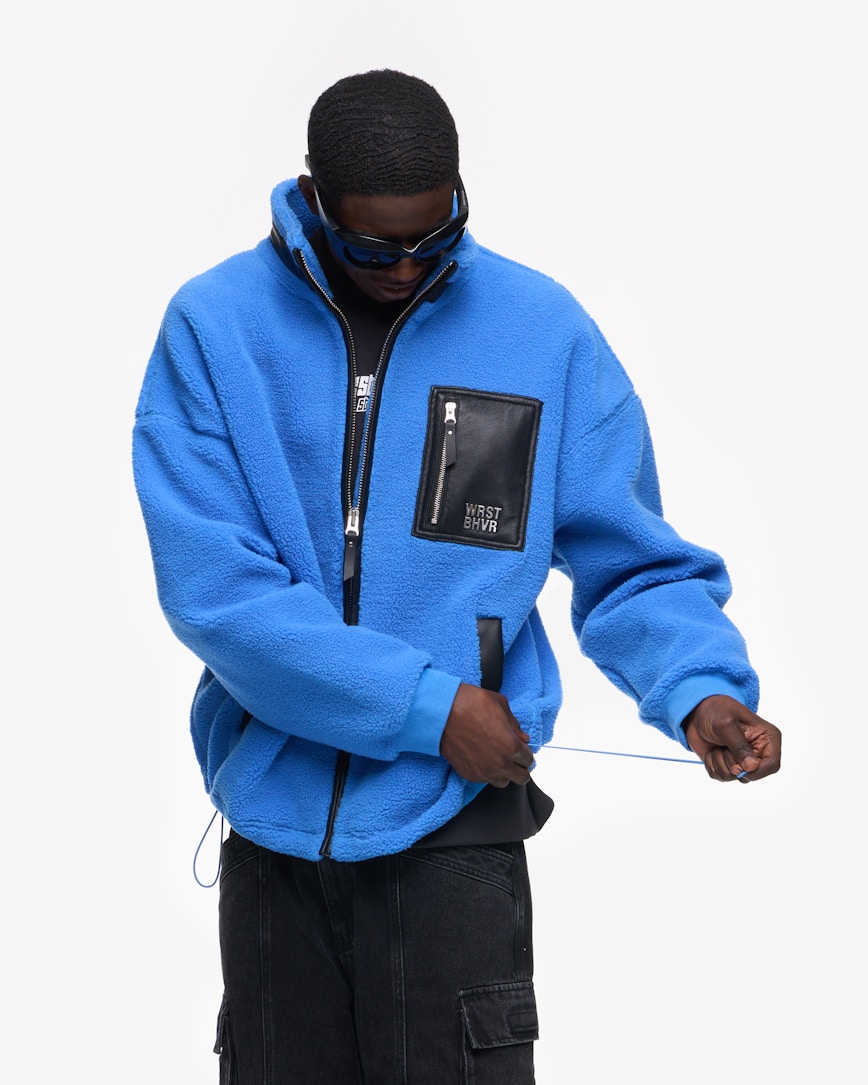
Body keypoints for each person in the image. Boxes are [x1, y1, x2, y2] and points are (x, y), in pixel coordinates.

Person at [133, 69, 782, 1084]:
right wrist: (429, 707)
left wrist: (698, 685)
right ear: (310, 198)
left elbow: (628, 553)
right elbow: (218, 592)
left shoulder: (540, 331)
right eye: (371, 247)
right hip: (275, 832)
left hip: (455, 831)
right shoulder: (215, 329)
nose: (404, 267)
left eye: (434, 239)